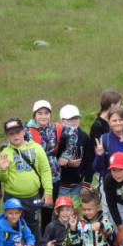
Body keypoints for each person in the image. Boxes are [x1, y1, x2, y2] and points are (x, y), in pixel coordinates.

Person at [0, 117, 53, 242]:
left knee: (34, 225)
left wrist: (48, 192)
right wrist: (3, 170)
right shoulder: (5, 152)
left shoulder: (37, 148)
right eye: (11, 134)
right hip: (13, 198)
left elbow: (45, 170)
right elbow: (1, 178)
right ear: (7, 136)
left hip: (33, 197)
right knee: (14, 226)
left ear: (23, 131)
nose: (15, 136)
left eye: (17, 132)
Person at [25, 100, 78, 233]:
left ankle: (46, 237)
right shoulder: (26, 130)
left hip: (53, 173)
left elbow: (73, 133)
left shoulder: (56, 128)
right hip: (34, 173)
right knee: (32, 211)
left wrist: (66, 155)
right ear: (34, 115)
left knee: (48, 210)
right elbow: (9, 143)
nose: (43, 116)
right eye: (40, 113)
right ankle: (32, 238)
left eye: (46, 113)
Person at [57, 104, 95, 207]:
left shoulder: (84, 137)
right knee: (63, 210)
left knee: (75, 209)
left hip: (78, 184)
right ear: (62, 121)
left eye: (76, 118)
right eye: (70, 119)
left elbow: (90, 160)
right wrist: (68, 163)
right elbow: (53, 160)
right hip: (61, 185)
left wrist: (87, 183)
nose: (74, 121)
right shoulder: (58, 138)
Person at [93, 105, 123, 175]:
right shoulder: (104, 140)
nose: (118, 123)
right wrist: (100, 155)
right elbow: (97, 168)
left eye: (121, 120)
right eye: (114, 121)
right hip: (112, 179)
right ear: (109, 122)